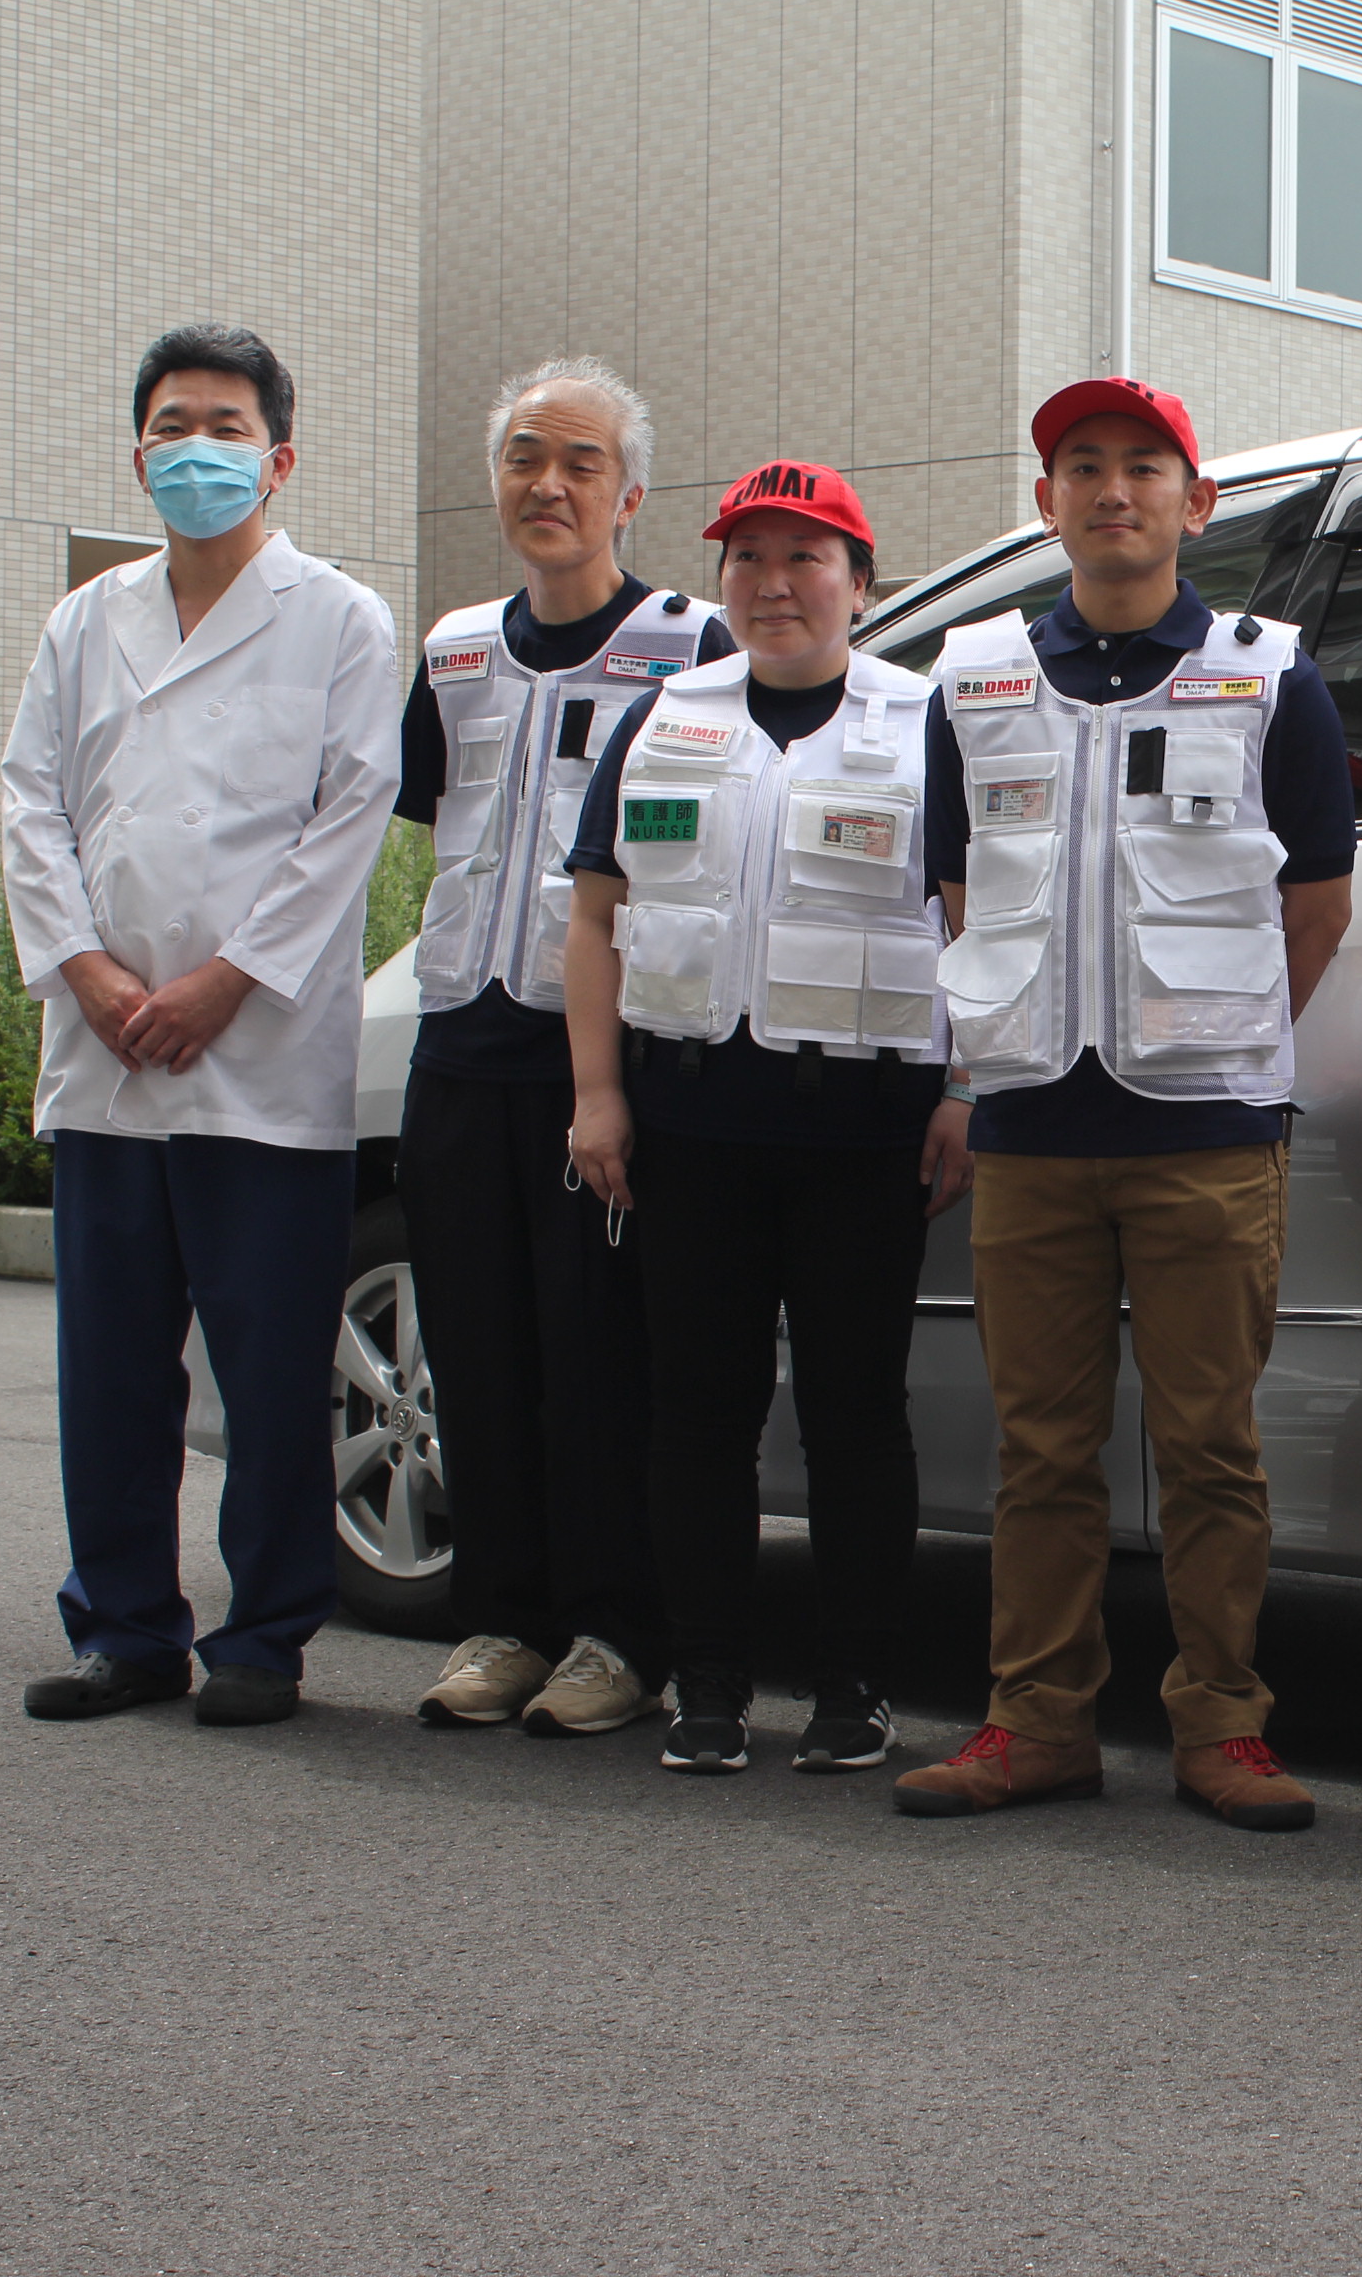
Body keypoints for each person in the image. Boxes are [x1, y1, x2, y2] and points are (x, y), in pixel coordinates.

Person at [889, 379, 1355, 1833]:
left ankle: (1223, 1724)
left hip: (1204, 1133)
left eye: (1145, 468)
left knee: (1210, 1446)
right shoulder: (975, 684)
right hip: (1032, 1131)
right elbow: (960, 895)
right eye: (1081, 468)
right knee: (1041, 1450)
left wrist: (1215, 1040)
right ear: (1045, 503)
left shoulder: (1269, 677)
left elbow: (1320, 907)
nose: (1113, 491)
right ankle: (1038, 1721)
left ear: (1194, 503)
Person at [3, 323, 402, 1727]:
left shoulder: (342, 620)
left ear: (280, 458)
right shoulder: (82, 621)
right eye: (175, 427)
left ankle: (263, 1637)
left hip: (258, 1059)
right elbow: (30, 809)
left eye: (227, 429)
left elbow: (348, 819)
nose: (199, 452)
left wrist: (223, 984)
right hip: (105, 1059)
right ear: (137, 454)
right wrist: (89, 976)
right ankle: (124, 1627)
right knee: (110, 1371)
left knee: (270, 1366)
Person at [561, 459, 959, 1776]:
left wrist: (967, 1091)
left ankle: (855, 1685)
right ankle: (713, 1685)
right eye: (748, 560)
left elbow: (982, 927)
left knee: (856, 1414)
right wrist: (599, 1096)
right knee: (698, 1416)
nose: (775, 585)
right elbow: (595, 923)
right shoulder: (666, 717)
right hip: (690, 1129)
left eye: (806, 558)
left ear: (861, 580)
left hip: (862, 1134)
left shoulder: (925, 723)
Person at [395, 358, 723, 1738]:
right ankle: (503, 1618)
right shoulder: (455, 649)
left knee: (600, 1358)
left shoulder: (691, 646)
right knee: (472, 1345)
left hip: (598, 1055)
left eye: (582, 462)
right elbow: (432, 817)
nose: (550, 483)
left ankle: (613, 1633)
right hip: (460, 1039)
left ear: (631, 495)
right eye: (527, 456)